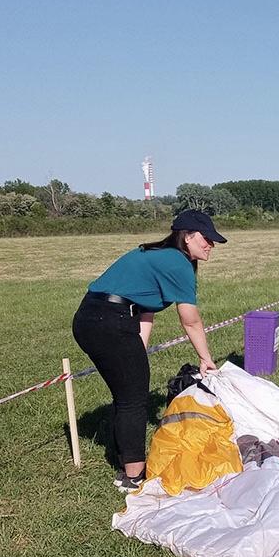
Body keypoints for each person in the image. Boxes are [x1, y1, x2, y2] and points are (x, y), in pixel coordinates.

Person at [72, 209, 225, 492]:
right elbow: (190, 320)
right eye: (207, 239)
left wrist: (137, 353)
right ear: (188, 236)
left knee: (126, 392)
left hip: (90, 318)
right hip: (111, 320)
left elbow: (143, 310)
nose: (211, 245)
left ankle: (123, 464)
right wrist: (206, 359)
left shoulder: (155, 255)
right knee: (133, 399)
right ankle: (133, 476)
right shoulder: (177, 262)